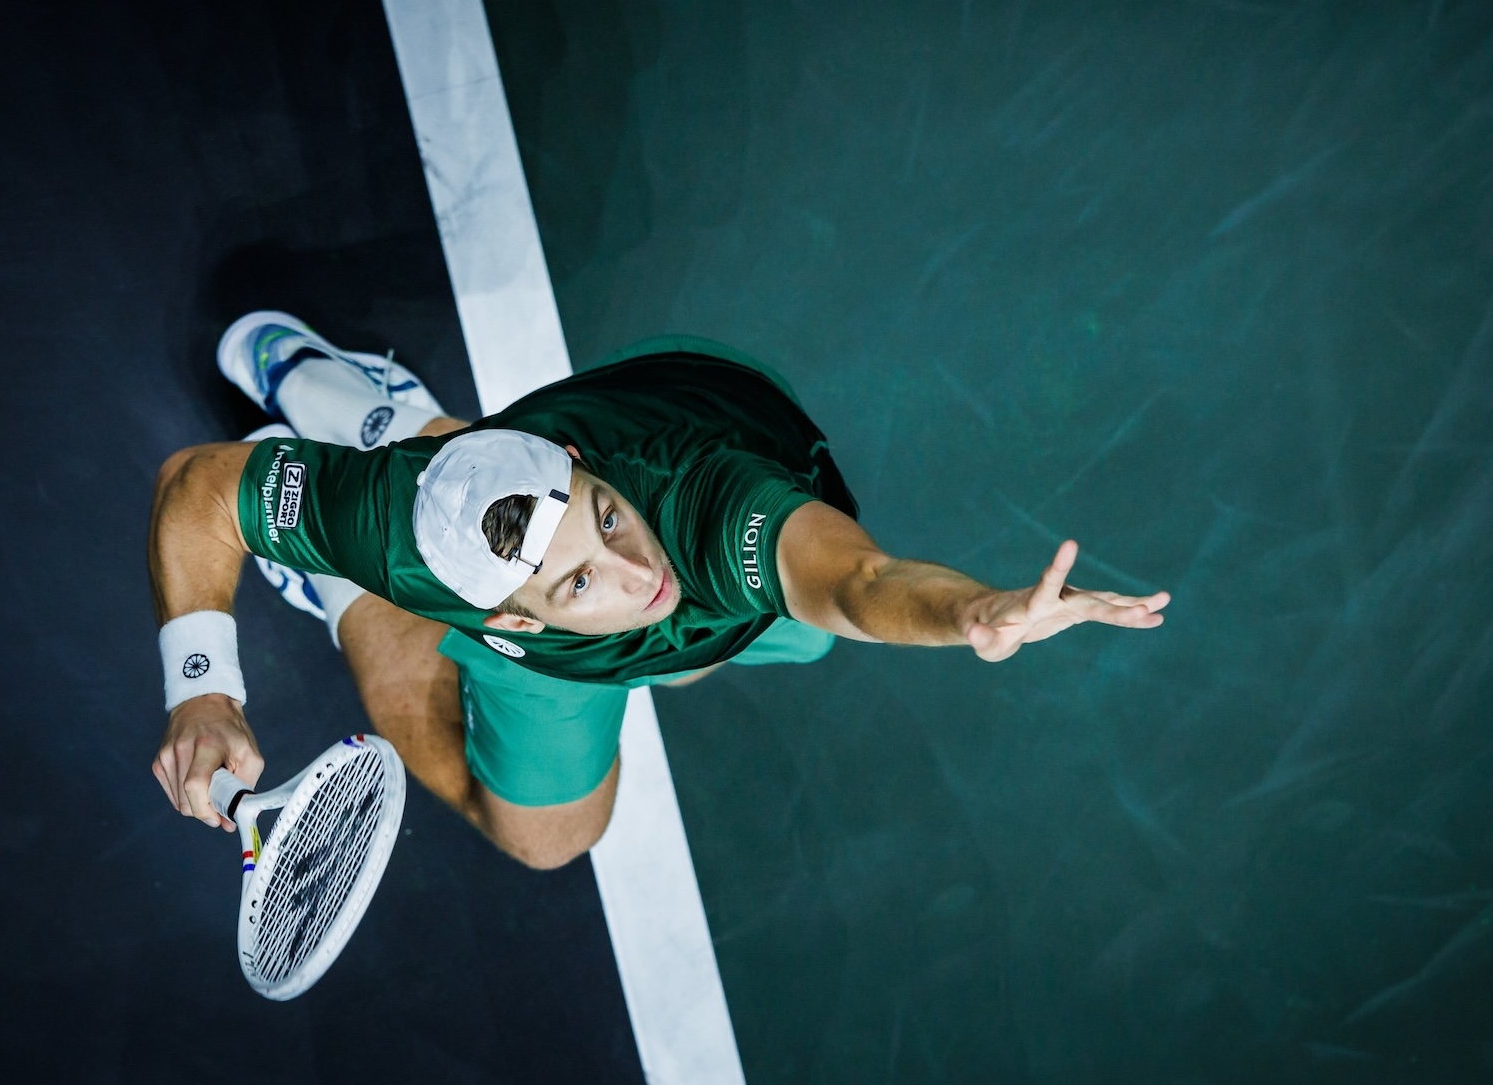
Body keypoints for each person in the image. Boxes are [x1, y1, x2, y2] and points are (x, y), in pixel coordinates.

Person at [149, 314, 1170, 869]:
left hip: (694, 425)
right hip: (473, 585)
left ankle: (359, 405)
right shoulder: (388, 534)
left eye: (604, 518)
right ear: (510, 619)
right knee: (550, 837)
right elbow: (199, 488)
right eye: (582, 578)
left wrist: (970, 612)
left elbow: (860, 581)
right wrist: (202, 689)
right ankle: (340, 555)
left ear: (573, 458)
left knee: (790, 633)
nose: (644, 574)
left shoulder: (702, 515)